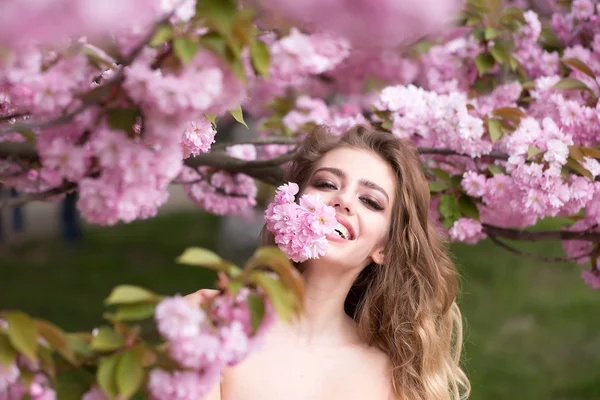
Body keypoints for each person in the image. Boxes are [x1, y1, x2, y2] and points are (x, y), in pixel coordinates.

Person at [188, 125, 470, 400]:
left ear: (383, 248)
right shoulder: (207, 318)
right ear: (292, 202)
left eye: (371, 201)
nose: (344, 199)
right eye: (326, 184)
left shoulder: (391, 379)